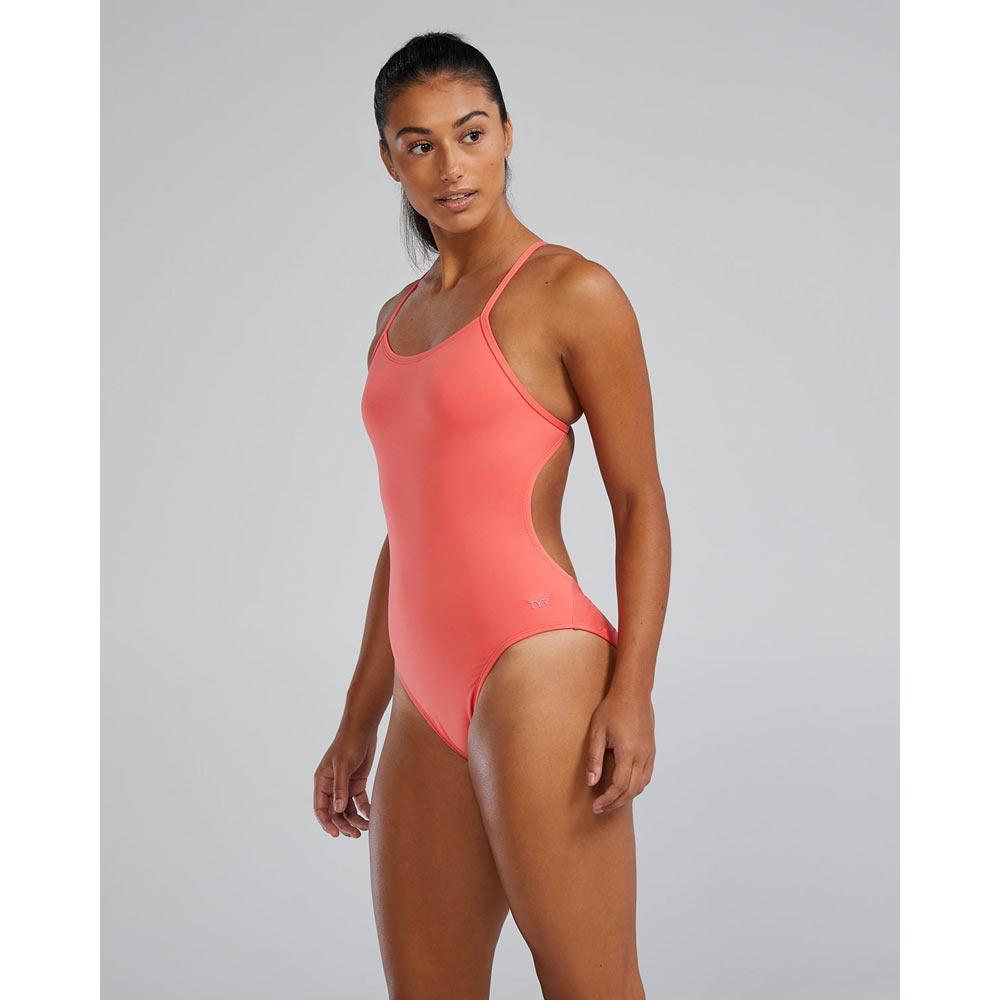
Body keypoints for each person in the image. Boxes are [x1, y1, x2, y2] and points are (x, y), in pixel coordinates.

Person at [314, 30, 670, 1000]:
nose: (450, 166)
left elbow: (639, 501)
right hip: (421, 692)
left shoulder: (572, 291)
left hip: (537, 662)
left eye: (470, 133)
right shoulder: (394, 320)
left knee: (592, 984)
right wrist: (356, 718)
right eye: (418, 143)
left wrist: (633, 689)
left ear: (507, 133)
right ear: (389, 160)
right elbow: (410, 531)